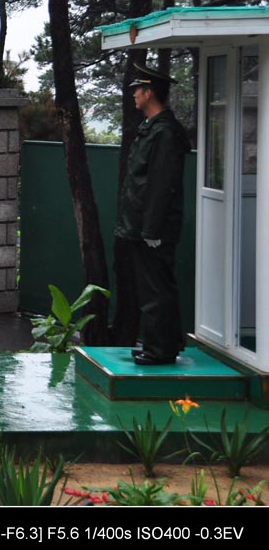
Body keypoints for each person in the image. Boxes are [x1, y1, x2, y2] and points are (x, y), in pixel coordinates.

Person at [115, 63, 191, 366]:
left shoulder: (165, 133)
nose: (133, 94)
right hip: (141, 225)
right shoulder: (153, 128)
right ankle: (160, 343)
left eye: (138, 89)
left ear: (149, 93)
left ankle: (160, 350)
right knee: (152, 286)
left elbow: (161, 185)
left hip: (153, 229)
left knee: (156, 289)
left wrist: (152, 231)